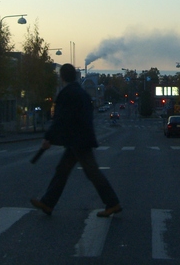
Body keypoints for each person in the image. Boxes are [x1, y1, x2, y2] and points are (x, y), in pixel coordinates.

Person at [30, 63, 122, 218]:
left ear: (62, 77)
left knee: (90, 173)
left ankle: (113, 203)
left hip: (78, 141)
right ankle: (48, 203)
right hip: (80, 139)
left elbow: (60, 119)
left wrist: (48, 138)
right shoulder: (81, 93)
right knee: (63, 171)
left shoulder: (67, 94)